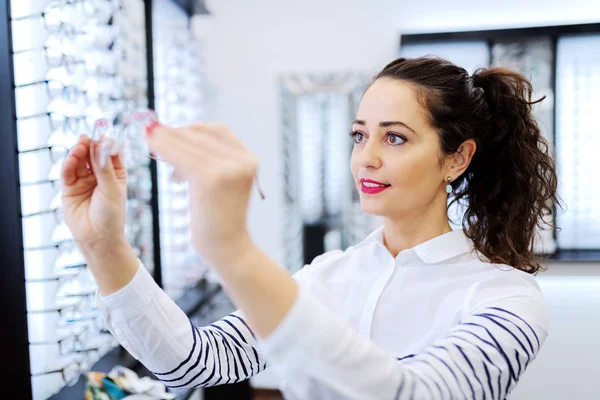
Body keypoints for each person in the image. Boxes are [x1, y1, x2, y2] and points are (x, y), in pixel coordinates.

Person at [61, 56, 559, 399]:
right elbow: (193, 361)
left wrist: (233, 250)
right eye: (359, 135)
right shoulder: (326, 276)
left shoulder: (505, 300)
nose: (367, 158)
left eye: (396, 138)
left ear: (456, 158)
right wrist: (104, 245)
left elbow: (416, 394)